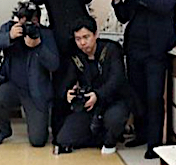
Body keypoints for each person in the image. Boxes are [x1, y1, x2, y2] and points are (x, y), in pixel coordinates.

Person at [111, 0, 176, 160]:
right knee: (138, 96)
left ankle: (154, 143)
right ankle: (141, 135)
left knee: (153, 97)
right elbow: (125, 15)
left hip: (155, 52)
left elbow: (163, 7)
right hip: (134, 49)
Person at [28, 0, 95, 137]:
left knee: (85, 79)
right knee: (61, 84)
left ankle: (86, 127)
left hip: (80, 38)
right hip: (59, 41)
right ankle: (59, 130)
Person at [0, 1, 60, 148]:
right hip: (13, 85)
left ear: (38, 20)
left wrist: (38, 45)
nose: (27, 26)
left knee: (38, 141)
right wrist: (10, 36)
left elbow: (54, 64)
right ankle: (3, 131)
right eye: (23, 21)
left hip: (36, 92)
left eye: (31, 21)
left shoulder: (46, 34)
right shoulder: (9, 29)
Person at [54, 16, 131, 155]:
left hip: (114, 100)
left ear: (95, 34)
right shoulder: (75, 56)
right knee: (63, 139)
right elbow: (68, 81)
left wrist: (98, 95)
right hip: (89, 104)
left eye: (86, 37)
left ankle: (110, 137)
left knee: (114, 119)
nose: (83, 43)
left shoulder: (111, 49)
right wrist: (68, 92)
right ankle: (101, 136)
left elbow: (117, 79)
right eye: (78, 39)